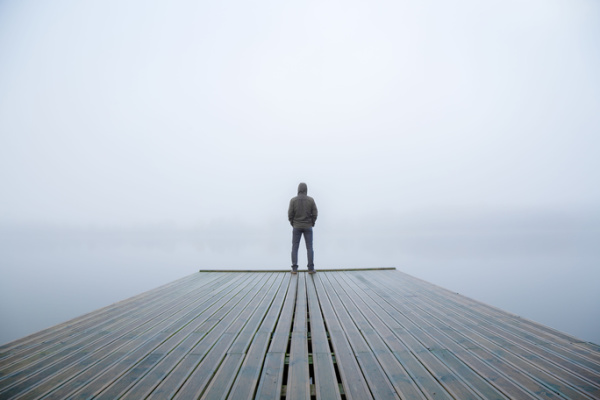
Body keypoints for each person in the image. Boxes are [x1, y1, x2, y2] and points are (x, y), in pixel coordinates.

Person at [288, 182, 318, 274]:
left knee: (295, 247)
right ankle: (311, 269)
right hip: (308, 226)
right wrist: (312, 222)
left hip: (296, 226)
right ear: (306, 189)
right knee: (309, 247)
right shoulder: (311, 200)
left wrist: (293, 223)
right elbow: (315, 213)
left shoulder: (293, 200)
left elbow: (290, 214)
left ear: (298, 189)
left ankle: (294, 269)